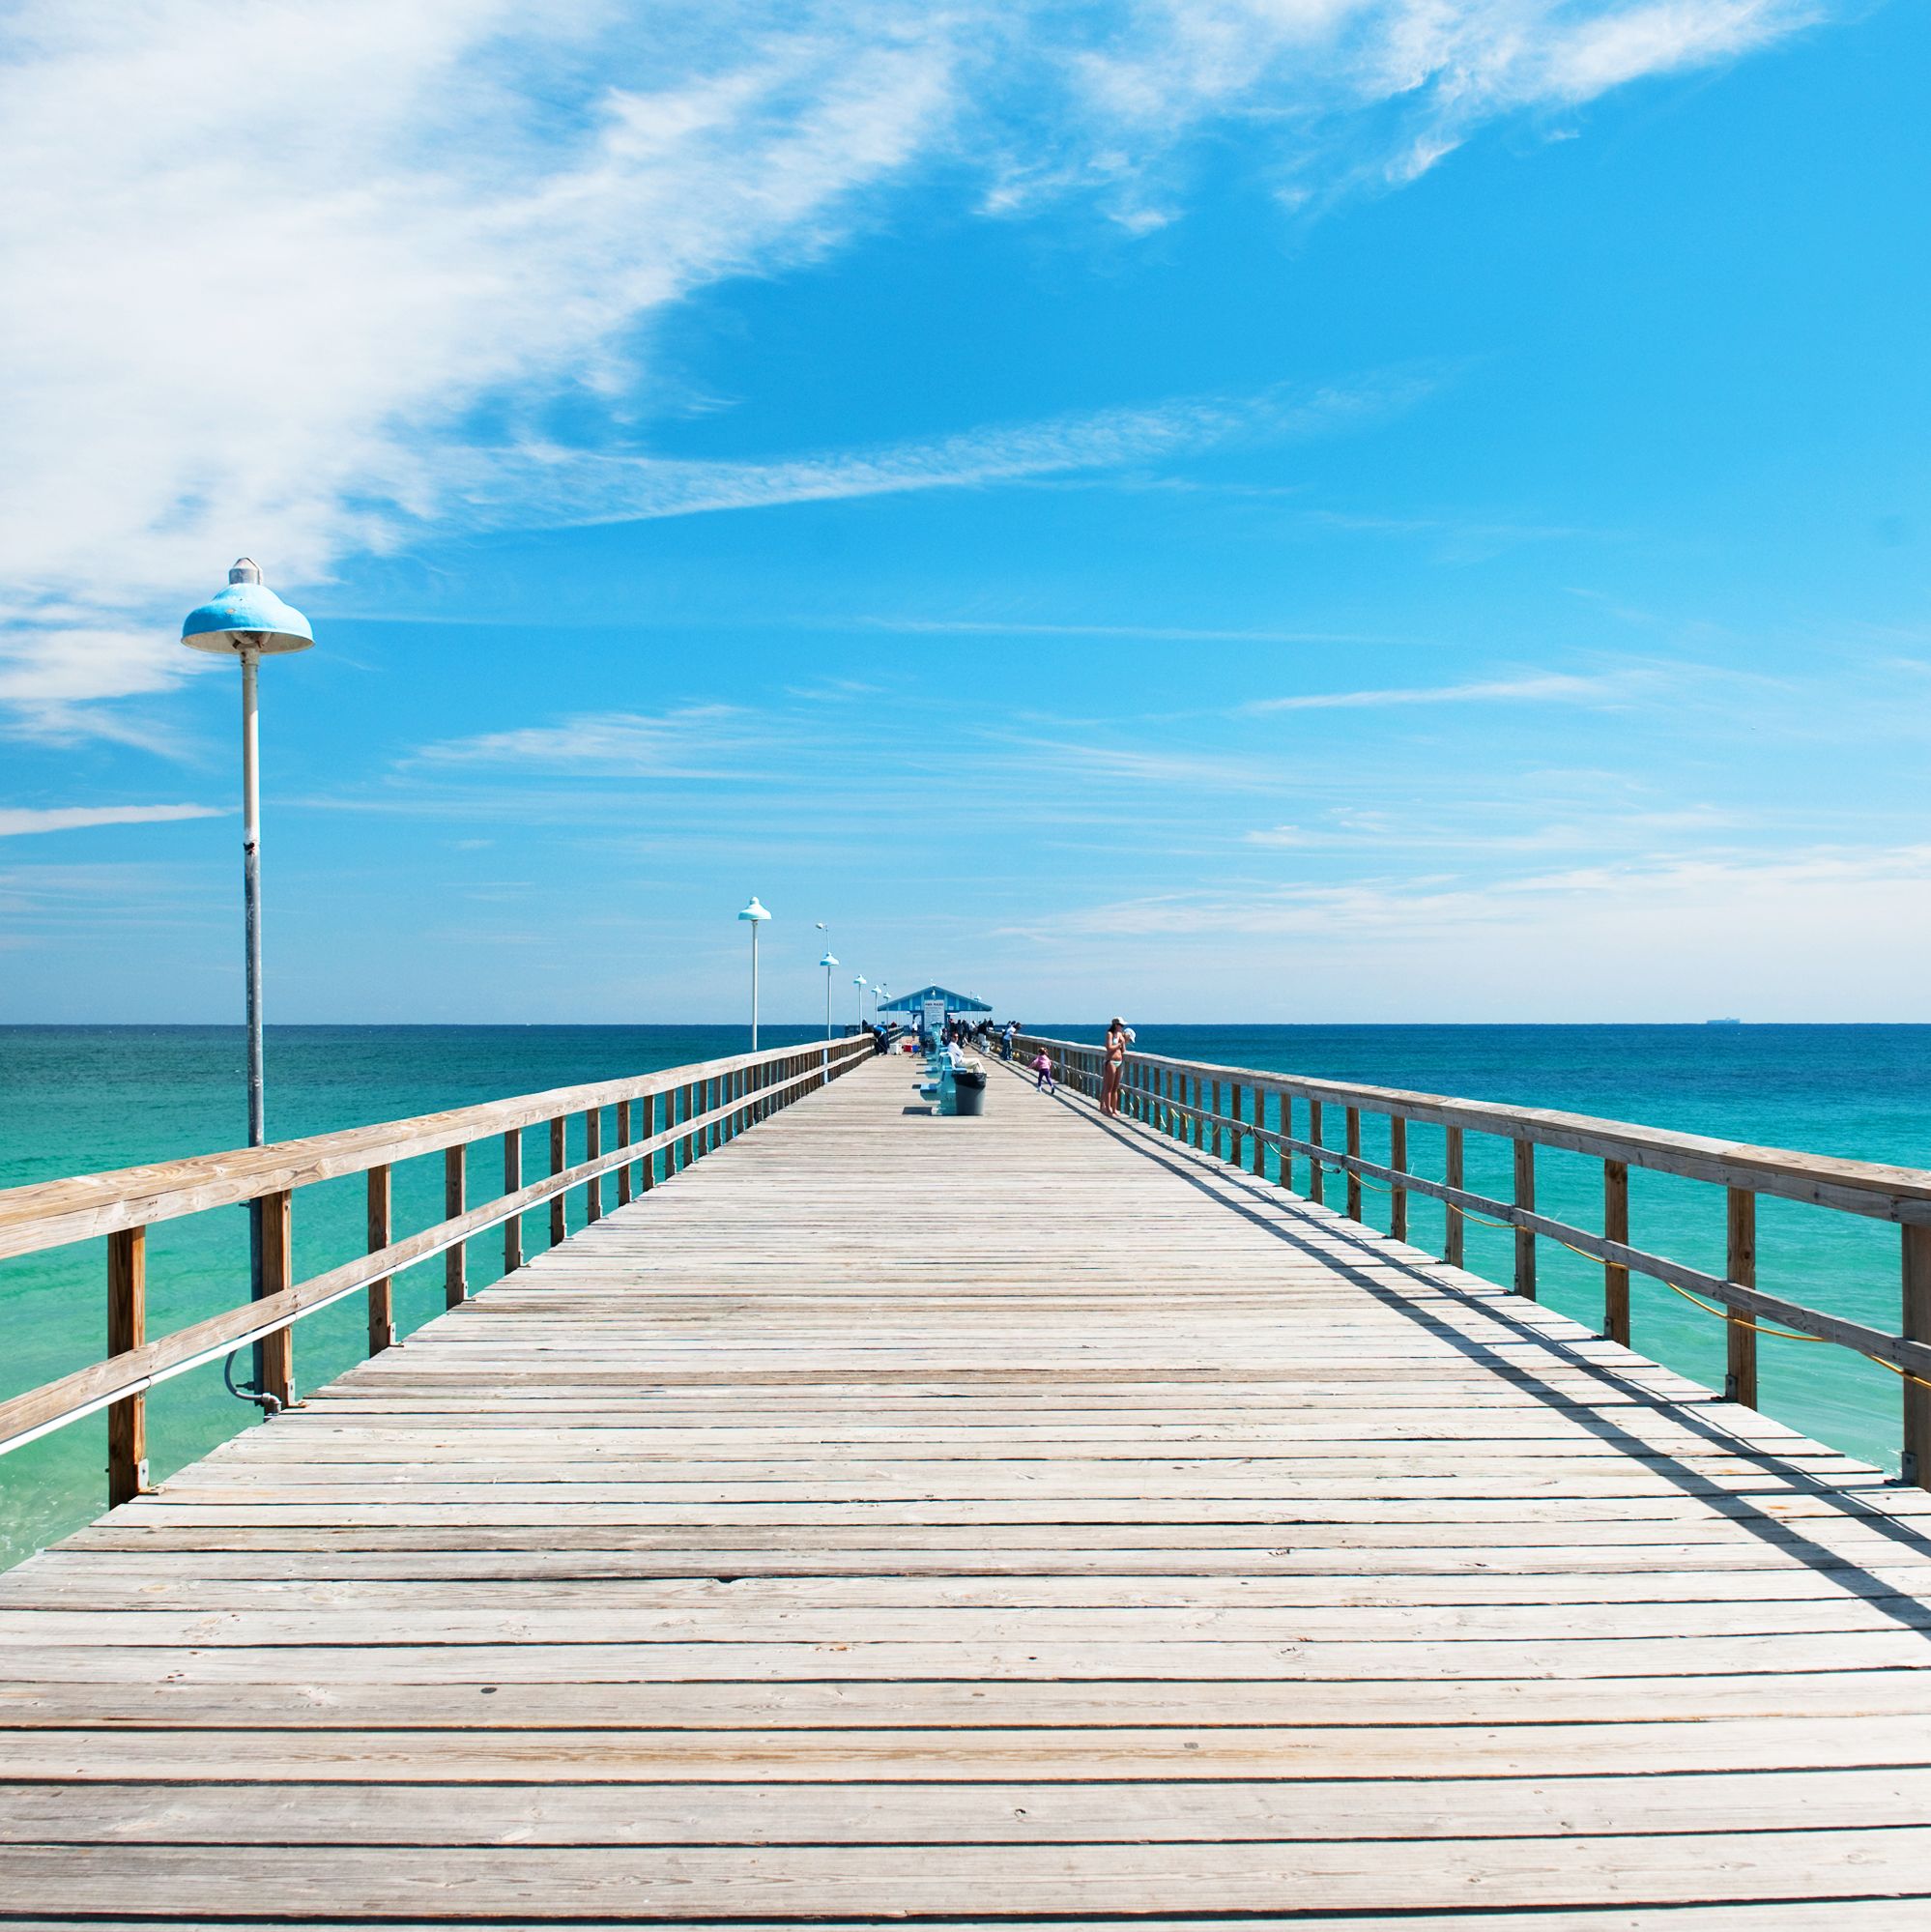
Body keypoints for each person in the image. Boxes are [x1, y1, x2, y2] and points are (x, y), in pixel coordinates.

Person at [1101, 1017, 1127, 1117]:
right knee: (1109, 1087)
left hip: (1119, 1062)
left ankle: (1114, 1109)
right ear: (1116, 1025)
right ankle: (1108, 1109)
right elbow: (1109, 1048)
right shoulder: (1110, 1034)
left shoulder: (1120, 1035)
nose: (1122, 1027)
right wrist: (1119, 1043)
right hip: (1111, 1061)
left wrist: (1123, 1042)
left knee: (1116, 1088)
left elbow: (1123, 1050)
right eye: (1121, 1025)